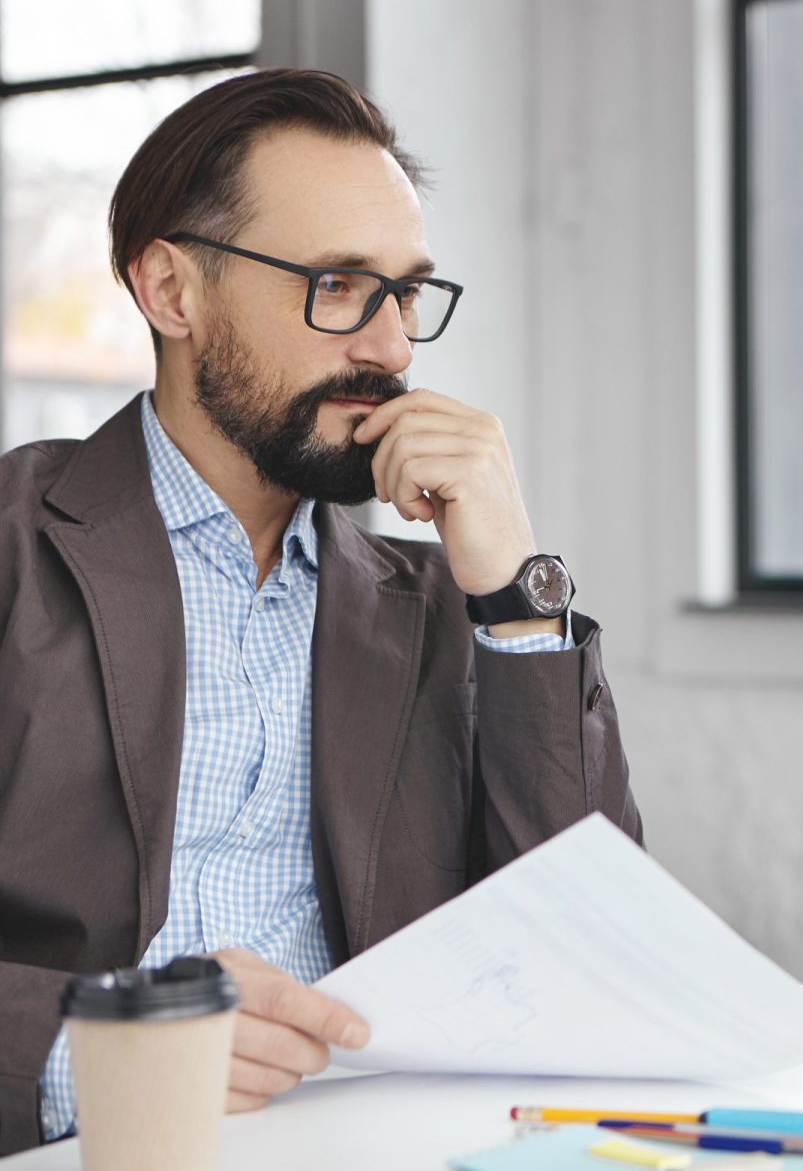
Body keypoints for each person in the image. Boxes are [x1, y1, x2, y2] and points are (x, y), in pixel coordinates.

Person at [0, 68, 643, 1153]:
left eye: (407, 294)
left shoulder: (442, 605)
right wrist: (110, 1048)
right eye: (339, 283)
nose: (392, 348)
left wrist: (514, 590)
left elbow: (586, 937)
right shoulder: (17, 548)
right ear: (171, 291)